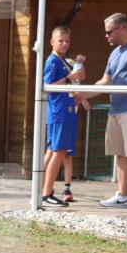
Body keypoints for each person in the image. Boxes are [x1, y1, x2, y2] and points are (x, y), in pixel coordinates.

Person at [90, 13, 127, 210]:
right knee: (120, 153)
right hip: (114, 109)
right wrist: (83, 92)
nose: (106, 36)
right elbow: (105, 80)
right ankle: (122, 195)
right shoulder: (114, 53)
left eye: (109, 32)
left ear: (122, 28)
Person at [40, 26, 85, 207]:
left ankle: (44, 190)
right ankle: (46, 193)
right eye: (61, 40)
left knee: (53, 151)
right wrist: (68, 78)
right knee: (58, 152)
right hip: (59, 112)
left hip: (64, 111)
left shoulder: (62, 60)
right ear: (52, 42)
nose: (64, 44)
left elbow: (76, 77)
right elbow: (48, 85)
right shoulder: (52, 61)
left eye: (67, 41)